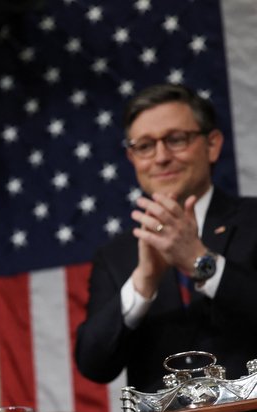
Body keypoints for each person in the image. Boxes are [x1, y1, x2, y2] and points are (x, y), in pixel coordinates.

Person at [75, 83, 257, 393]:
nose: (160, 157)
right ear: (132, 158)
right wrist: (143, 283)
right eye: (145, 146)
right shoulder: (117, 255)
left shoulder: (253, 219)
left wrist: (202, 263)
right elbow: (94, 364)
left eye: (176, 140)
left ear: (212, 144)